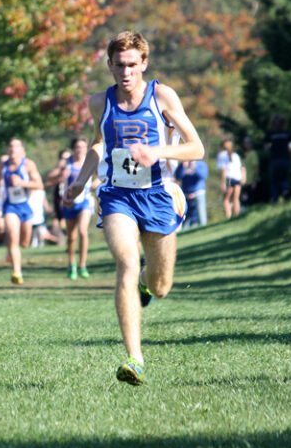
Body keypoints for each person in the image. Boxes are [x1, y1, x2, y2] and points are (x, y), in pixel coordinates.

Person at [64, 31, 204, 385]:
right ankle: (134, 358)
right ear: (109, 65)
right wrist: (81, 180)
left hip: (158, 193)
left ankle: (146, 285)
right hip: (117, 195)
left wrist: (156, 152)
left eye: (132, 65)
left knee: (160, 286)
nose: (125, 72)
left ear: (143, 64)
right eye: (118, 65)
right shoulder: (100, 102)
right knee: (127, 263)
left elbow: (196, 148)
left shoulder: (162, 96)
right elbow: (99, 144)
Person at [0, 137, 43, 284]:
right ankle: (17, 272)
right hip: (10, 206)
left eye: (16, 146)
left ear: (22, 150)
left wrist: (22, 183)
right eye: (11, 147)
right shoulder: (3, 165)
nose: (13, 149)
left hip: (25, 207)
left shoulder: (28, 164)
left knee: (25, 243)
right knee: (12, 236)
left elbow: (39, 184)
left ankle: (13, 253)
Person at [47, 137, 95, 279]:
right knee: (71, 237)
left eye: (83, 147)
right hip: (68, 202)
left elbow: (100, 177)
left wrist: (96, 183)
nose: (80, 150)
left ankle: (83, 265)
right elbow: (49, 180)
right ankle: (71, 264)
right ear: (73, 149)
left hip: (85, 201)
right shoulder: (66, 163)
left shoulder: (90, 161)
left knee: (82, 231)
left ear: (86, 149)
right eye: (77, 147)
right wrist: (61, 175)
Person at [264, 114, 291, 203]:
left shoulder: (270, 134)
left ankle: (275, 200)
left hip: (275, 160)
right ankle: (285, 190)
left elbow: (266, 148)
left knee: (274, 181)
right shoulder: (287, 134)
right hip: (285, 159)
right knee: (284, 178)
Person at [174, 160, 209, 228]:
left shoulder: (201, 164)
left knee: (201, 218)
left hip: (198, 194)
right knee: (185, 221)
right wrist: (183, 167)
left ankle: (204, 231)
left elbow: (203, 176)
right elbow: (178, 176)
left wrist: (195, 167)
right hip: (186, 194)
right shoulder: (183, 164)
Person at [216, 139, 245, 218]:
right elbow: (241, 167)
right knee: (236, 199)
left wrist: (223, 183)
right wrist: (243, 178)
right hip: (238, 177)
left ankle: (228, 216)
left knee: (226, 200)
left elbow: (224, 170)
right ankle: (237, 216)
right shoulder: (236, 155)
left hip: (229, 178)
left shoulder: (222, 155)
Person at [240, 136, 259, 207]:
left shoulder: (253, 154)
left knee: (251, 203)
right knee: (245, 202)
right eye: (245, 143)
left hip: (251, 182)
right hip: (245, 182)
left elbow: (257, 168)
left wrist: (255, 181)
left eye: (247, 143)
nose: (246, 145)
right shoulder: (246, 154)